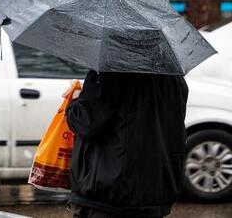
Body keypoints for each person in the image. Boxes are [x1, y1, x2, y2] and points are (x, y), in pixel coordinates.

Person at [66, 70, 188, 218]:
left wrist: (75, 99)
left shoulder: (110, 72)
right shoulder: (175, 79)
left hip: (110, 196)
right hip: (155, 192)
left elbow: (86, 122)